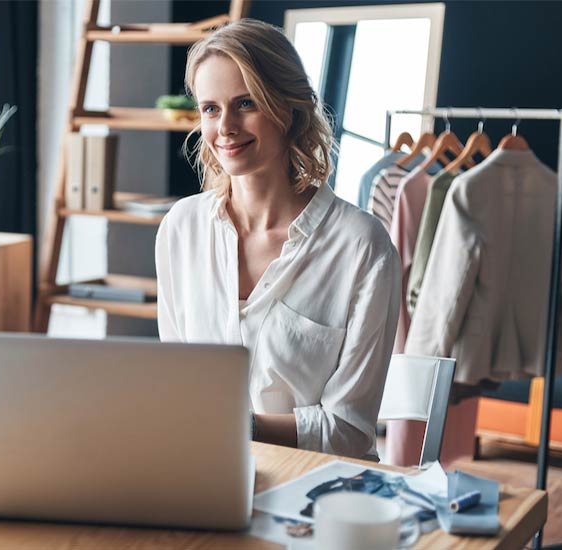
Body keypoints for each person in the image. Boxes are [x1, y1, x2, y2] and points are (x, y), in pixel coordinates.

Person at [155, 19, 401, 460]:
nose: (225, 127)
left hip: (315, 484)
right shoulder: (181, 228)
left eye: (245, 103)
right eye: (210, 109)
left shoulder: (362, 247)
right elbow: (177, 386)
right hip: (201, 472)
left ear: (289, 109)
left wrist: (238, 427)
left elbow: (349, 430)